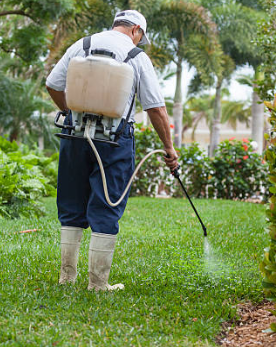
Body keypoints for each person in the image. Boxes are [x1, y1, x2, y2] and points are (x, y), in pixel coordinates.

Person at [46, 9, 179, 291]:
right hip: (114, 140)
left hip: (74, 133)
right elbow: (155, 107)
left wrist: (70, 112)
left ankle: (66, 277)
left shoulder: (81, 45)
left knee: (71, 203)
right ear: (136, 31)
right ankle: (98, 283)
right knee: (108, 203)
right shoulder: (136, 56)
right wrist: (169, 148)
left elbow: (53, 84)